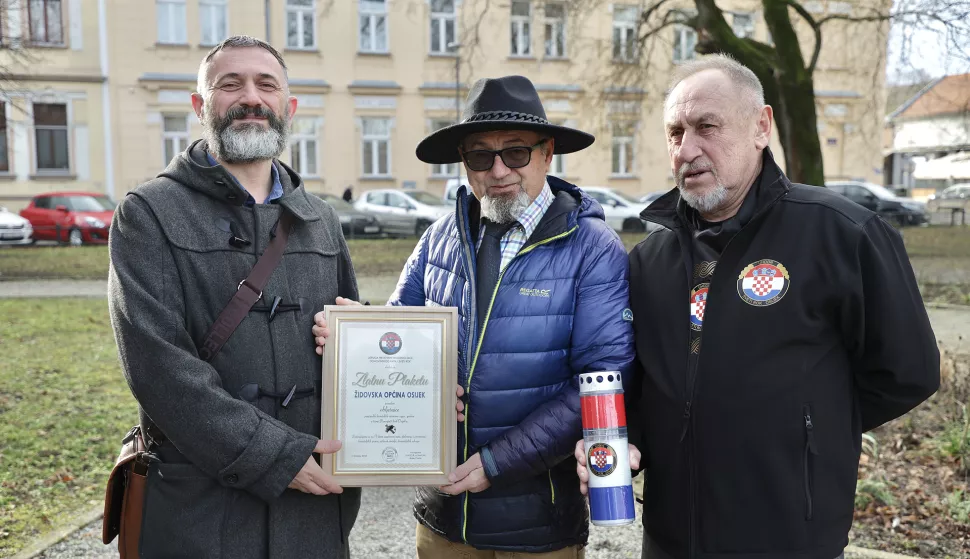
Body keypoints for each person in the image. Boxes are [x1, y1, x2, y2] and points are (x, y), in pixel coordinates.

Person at [575, 54, 940, 559]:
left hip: (789, 535)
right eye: (676, 132)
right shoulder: (648, 261)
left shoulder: (844, 234)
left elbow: (908, 372)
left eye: (707, 126)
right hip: (672, 538)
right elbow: (644, 383)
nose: (689, 148)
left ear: (761, 127)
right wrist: (631, 440)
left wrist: (807, 428)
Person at [313, 75, 635, 557]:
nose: (499, 169)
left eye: (516, 152)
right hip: (443, 519)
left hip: (537, 527)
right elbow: (401, 336)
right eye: (481, 155)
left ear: (547, 153)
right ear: (465, 162)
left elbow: (602, 380)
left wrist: (497, 462)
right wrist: (354, 337)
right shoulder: (438, 238)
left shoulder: (592, 248)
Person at [107, 36, 359, 558]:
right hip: (201, 508)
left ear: (288, 107)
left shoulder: (321, 221)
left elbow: (351, 349)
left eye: (267, 84)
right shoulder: (148, 213)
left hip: (312, 509)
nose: (251, 97)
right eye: (230, 84)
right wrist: (272, 456)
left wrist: (359, 344)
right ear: (201, 106)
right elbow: (158, 366)